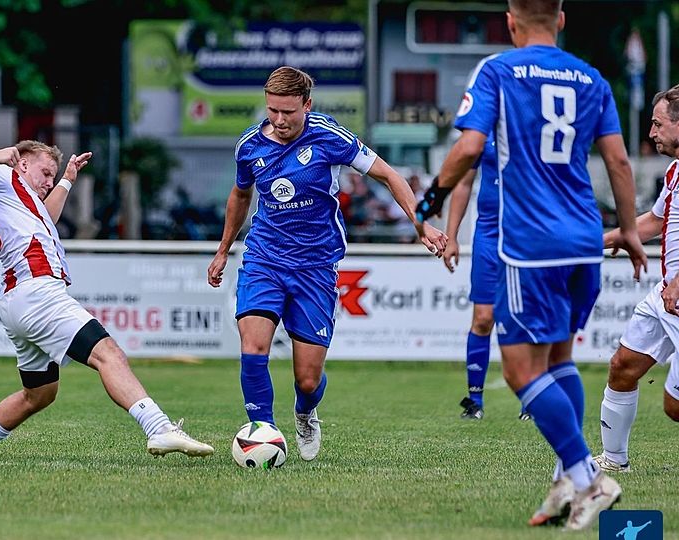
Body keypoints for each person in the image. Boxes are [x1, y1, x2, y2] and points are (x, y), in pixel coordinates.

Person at [415, 0, 647, 530]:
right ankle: (570, 474)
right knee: (559, 358)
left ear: (510, 23)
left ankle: (589, 477)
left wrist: (428, 205)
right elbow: (618, 161)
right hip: (586, 239)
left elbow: (469, 147)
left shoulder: (497, 69)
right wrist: (630, 230)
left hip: (532, 243)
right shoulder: (592, 78)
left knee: (522, 371)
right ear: (561, 19)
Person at [207, 66, 447, 462]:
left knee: (307, 378)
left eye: (288, 112)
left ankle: (304, 410)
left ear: (307, 104)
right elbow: (240, 195)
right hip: (264, 257)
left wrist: (420, 224)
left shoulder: (328, 136)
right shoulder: (249, 146)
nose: (280, 121)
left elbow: (388, 174)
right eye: (272, 112)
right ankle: (261, 431)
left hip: (316, 266)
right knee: (253, 344)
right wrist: (222, 250)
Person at [0, 140, 214, 460]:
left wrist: (67, 178)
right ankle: (159, 428)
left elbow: (47, 217)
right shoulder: (2, 175)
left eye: (52, 177)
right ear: (22, 163)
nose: (48, 182)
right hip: (39, 294)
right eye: (45, 173)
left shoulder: (23, 199)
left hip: (18, 300)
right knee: (108, 354)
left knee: (39, 395)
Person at [596, 84, 679, 473]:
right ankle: (614, 461)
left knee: (674, 407)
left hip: (677, 292)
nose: (651, 133)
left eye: (658, 124)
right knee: (623, 365)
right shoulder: (675, 171)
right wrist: (596, 242)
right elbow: (655, 222)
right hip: (666, 295)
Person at [442, 136, 531, 421]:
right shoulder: (482, 133)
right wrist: (452, 236)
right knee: (483, 317)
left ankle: (532, 399)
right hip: (489, 235)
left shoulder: (536, 124)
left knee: (525, 317)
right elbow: (464, 183)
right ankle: (475, 400)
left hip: (528, 234)